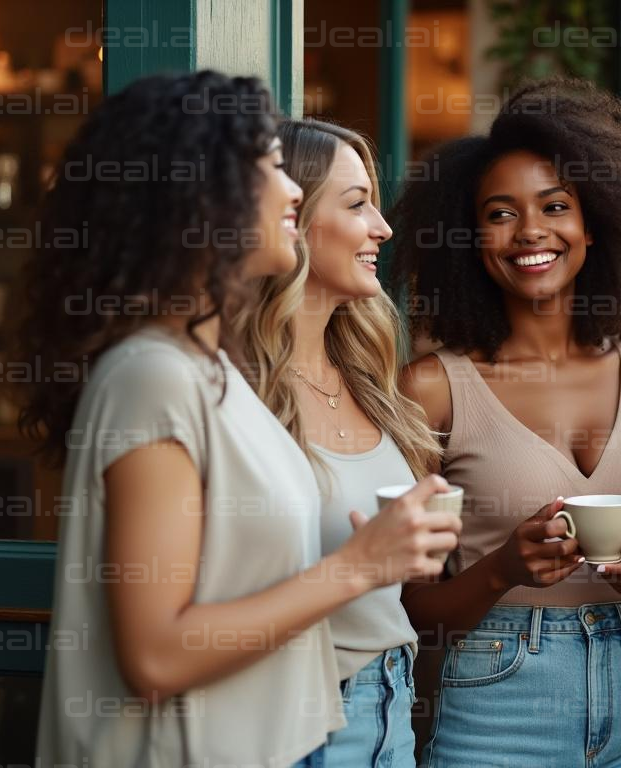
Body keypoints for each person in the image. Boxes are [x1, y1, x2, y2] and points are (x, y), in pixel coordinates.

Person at [16, 72, 458, 767]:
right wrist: (357, 567)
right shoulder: (152, 375)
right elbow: (157, 655)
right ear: (200, 196)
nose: (289, 191)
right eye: (270, 170)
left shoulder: (208, 374)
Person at [390, 78, 621, 766]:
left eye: (554, 206)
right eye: (500, 214)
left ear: (592, 224)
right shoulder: (435, 389)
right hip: (498, 704)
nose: (530, 230)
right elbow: (412, 611)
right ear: (472, 239)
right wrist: (502, 568)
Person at [235, 117, 446, 766]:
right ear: (289, 216)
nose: (382, 227)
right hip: (295, 722)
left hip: (390, 712)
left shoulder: (370, 375)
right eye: (357, 205)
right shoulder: (234, 391)